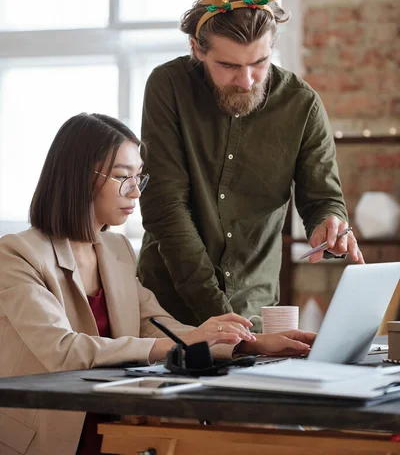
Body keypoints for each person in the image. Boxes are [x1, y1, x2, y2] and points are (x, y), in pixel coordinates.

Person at [0, 112, 315, 455]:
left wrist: (247, 344)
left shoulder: (116, 248)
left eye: (139, 177)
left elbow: (155, 325)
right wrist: (181, 346)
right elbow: (63, 350)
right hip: (53, 432)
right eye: (123, 177)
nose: (136, 191)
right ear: (80, 178)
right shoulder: (16, 254)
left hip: (119, 418)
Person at [138, 0, 364, 329]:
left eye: (259, 63)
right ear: (196, 49)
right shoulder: (169, 87)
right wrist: (219, 314)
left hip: (255, 310)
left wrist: (328, 223)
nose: (245, 81)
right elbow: (165, 208)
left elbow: (323, 199)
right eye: (228, 65)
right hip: (167, 312)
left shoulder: (301, 104)